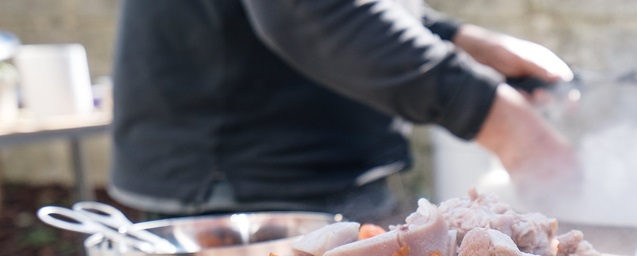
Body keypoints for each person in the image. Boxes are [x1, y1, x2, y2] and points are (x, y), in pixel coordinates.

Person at [108, 0, 578, 223]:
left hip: (301, 175)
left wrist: (465, 41)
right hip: (248, 194)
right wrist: (513, 130)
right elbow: (311, 10)